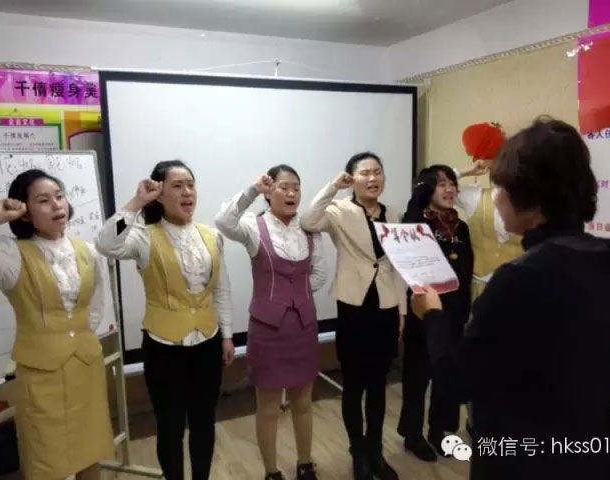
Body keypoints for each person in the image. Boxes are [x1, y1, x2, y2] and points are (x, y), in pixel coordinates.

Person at [411, 117, 610, 480]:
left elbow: (455, 380)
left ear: (527, 196)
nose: (496, 198)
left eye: (501, 187)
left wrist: (432, 314)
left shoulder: (519, 279)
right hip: (592, 453)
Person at [96, 160, 235, 480]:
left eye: (191, 185)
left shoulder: (211, 235)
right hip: (163, 346)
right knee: (170, 427)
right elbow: (105, 243)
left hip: (207, 341)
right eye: (177, 186)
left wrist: (227, 335)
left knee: (204, 422)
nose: (187, 192)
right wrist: (136, 202)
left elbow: (222, 288)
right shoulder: (143, 237)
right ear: (159, 194)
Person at [0, 169, 113, 480]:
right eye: (43, 201)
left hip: (85, 365)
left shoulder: (87, 251)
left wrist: (75, 336)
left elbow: (96, 307)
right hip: (40, 373)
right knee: (46, 460)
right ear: (25, 212)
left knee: (89, 450)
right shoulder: (11, 255)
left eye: (59, 196)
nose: (57, 205)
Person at [215, 165, 325, 480]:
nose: (291, 193)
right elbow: (223, 222)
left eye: (296, 187)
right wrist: (252, 190)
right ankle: (271, 471)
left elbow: (319, 273)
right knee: (268, 406)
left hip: (303, 325)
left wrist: (295, 294)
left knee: (303, 401)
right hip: (267, 328)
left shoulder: (310, 228)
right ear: (269, 191)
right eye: (283, 187)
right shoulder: (254, 226)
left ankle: (305, 463)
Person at [300, 152, 406, 480]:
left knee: (378, 384)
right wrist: (333, 186)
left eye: (378, 172)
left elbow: (398, 263)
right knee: (355, 384)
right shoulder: (338, 210)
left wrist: (402, 309)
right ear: (352, 179)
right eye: (365, 173)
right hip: (354, 306)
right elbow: (308, 221)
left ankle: (375, 451)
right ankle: (358, 452)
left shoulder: (393, 213)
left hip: (386, 305)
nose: (373, 179)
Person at [397, 165, 473, 461]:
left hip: (454, 314)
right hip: (423, 311)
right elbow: (409, 231)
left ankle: (441, 431)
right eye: (441, 184)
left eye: (452, 183)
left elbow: (464, 272)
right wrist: (419, 192)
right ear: (427, 190)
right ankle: (413, 435)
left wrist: (463, 311)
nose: (449, 189)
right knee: (417, 377)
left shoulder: (461, 227)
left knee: (447, 375)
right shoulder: (417, 225)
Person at [456, 122, 523, 301]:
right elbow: (429, 187)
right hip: (481, 290)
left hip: (520, 290)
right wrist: (465, 172)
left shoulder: (530, 202)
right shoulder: (474, 197)